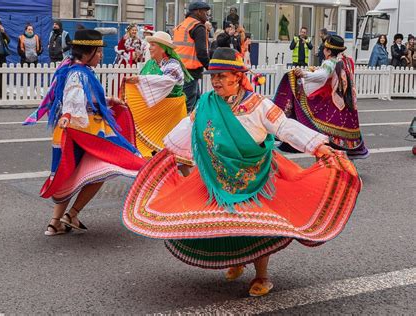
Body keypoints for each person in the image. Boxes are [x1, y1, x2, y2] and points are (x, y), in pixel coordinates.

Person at [123, 47, 361, 297]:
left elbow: (283, 126)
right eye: (213, 77)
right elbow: (189, 128)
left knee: (257, 224)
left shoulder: (258, 105)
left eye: (222, 76)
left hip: (256, 175)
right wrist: (165, 151)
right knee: (226, 221)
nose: (215, 82)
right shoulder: (207, 104)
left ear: (237, 76)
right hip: (220, 175)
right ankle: (237, 260)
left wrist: (317, 146)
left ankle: (262, 276)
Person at [23, 29, 145, 236]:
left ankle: (55, 222)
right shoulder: (79, 73)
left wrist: (107, 100)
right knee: (103, 168)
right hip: (85, 131)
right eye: (98, 52)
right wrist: (69, 116)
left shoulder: (74, 69)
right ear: (88, 53)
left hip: (76, 129)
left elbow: (85, 97)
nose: (100, 56)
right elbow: (73, 97)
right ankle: (71, 214)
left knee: (71, 173)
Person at [274, 35, 369, 160]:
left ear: (328, 51)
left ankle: (329, 163)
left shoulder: (329, 63)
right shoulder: (343, 61)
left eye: (324, 48)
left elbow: (323, 75)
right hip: (343, 103)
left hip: (331, 103)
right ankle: (337, 162)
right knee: (335, 136)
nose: (323, 51)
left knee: (318, 128)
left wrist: (304, 74)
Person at [123, 31, 193, 166]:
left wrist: (139, 79)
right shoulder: (151, 64)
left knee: (175, 150)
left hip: (171, 114)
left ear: (163, 48)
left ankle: (184, 181)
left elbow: (165, 81)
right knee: (157, 150)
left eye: (153, 45)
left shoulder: (173, 65)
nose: (149, 48)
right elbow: (143, 84)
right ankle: (156, 178)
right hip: (158, 113)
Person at [173, 1, 210, 113]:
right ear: (198, 12)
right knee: (189, 107)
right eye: (205, 12)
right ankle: (187, 129)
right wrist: (211, 68)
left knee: (195, 103)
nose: (207, 16)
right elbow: (202, 52)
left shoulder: (182, 25)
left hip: (179, 69)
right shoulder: (198, 27)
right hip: (190, 72)